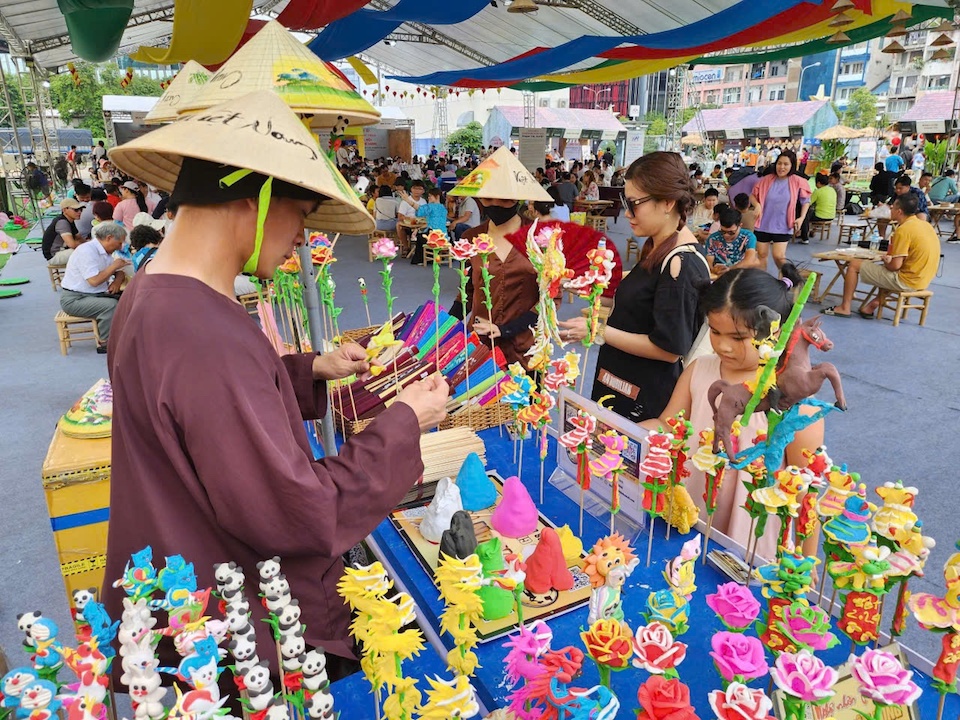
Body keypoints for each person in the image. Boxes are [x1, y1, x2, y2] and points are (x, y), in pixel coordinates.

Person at [103, 91, 449, 685]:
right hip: (240, 624)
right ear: (253, 197)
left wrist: (307, 371)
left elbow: (206, 413)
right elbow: (299, 512)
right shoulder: (203, 331)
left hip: (178, 594)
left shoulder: (151, 292)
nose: (302, 238)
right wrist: (405, 422)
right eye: (300, 214)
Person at [641, 264, 822, 562]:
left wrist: (808, 558)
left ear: (777, 332)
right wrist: (623, 435)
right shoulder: (700, 370)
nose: (723, 345)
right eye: (714, 331)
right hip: (695, 496)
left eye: (738, 338)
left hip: (752, 521)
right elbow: (666, 424)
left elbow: (806, 489)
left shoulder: (796, 400)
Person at [559, 151, 709, 422]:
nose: (627, 213)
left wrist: (599, 331)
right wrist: (584, 285)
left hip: (644, 398)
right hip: (621, 384)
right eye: (625, 202)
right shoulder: (659, 247)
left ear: (667, 202)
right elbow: (639, 304)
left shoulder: (681, 265)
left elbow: (668, 349)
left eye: (635, 203)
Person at [449, 146, 556, 368]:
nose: (496, 204)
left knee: (527, 402)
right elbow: (467, 291)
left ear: (519, 198)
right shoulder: (471, 238)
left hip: (525, 349)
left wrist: (506, 329)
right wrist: (443, 328)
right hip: (478, 348)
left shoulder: (541, 239)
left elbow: (551, 298)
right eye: (488, 198)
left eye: (505, 198)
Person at [825, 193, 939, 318]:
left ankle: (844, 307)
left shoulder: (904, 230)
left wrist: (886, 261)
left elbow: (894, 266)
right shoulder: (925, 225)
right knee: (891, 270)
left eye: (892, 208)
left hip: (906, 281)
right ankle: (871, 305)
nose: (890, 210)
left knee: (854, 265)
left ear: (899, 211)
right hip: (924, 279)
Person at [59, 221, 128, 353]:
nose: (120, 247)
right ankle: (105, 342)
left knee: (126, 298)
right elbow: (94, 281)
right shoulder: (87, 251)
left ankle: (120, 335)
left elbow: (120, 273)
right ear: (109, 238)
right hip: (74, 299)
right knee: (110, 305)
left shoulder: (104, 252)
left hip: (91, 295)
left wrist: (116, 282)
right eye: (119, 243)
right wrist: (114, 266)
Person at [752, 149, 811, 271]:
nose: (781, 167)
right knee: (762, 255)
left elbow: (805, 201)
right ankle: (762, 285)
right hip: (763, 223)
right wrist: (757, 205)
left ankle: (789, 280)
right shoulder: (766, 179)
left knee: (778, 256)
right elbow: (752, 195)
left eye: (786, 164)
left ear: (792, 165)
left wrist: (801, 218)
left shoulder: (798, 181)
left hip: (783, 225)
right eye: (779, 163)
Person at [706, 207, 759, 275]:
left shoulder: (748, 236)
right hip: (719, 274)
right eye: (723, 231)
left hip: (741, 273)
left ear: (740, 225)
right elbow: (709, 262)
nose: (726, 235)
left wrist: (729, 269)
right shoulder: (712, 238)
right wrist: (713, 269)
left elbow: (749, 261)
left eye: (731, 232)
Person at [42, 198, 86, 264]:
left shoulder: (70, 220)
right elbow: (72, 244)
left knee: (87, 250)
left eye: (81, 209)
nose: (79, 212)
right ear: (65, 210)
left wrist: (88, 243)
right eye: (76, 210)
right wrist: (86, 245)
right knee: (85, 253)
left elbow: (79, 238)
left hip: (63, 250)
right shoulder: (62, 222)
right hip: (54, 255)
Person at [798, 173, 838, 244]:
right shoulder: (832, 190)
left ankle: (804, 237)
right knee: (809, 212)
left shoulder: (818, 191)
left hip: (820, 216)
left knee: (804, 214)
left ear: (818, 183)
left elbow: (808, 203)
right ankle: (807, 232)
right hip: (831, 216)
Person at [396, 179, 426, 252]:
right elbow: (400, 216)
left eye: (419, 189)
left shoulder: (423, 201)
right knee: (399, 225)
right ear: (411, 189)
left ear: (423, 191)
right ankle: (406, 247)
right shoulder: (405, 201)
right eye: (415, 188)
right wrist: (408, 219)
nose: (417, 191)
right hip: (408, 224)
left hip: (421, 224)